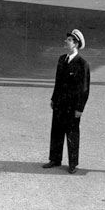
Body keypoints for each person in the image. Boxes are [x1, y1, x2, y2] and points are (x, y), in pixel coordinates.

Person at [42, 29, 91, 174]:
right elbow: (58, 82)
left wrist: (79, 108)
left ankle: (73, 163)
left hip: (72, 107)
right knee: (56, 130)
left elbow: (84, 89)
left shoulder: (82, 64)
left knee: (72, 134)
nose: (66, 42)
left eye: (69, 40)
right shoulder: (61, 59)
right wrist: (53, 98)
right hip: (59, 103)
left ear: (76, 44)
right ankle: (55, 159)